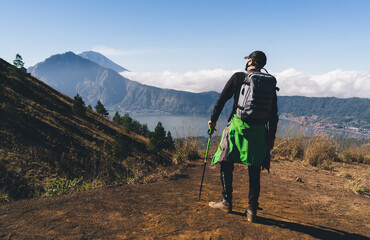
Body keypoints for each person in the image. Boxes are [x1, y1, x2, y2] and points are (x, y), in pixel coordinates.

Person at [208, 50, 278, 223]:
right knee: (254, 169)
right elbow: (273, 114)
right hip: (259, 131)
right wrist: (271, 137)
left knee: (225, 160)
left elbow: (222, 100)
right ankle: (252, 210)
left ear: (250, 62)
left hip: (237, 128)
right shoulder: (268, 83)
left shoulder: (239, 77)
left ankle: (226, 201)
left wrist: (213, 120)